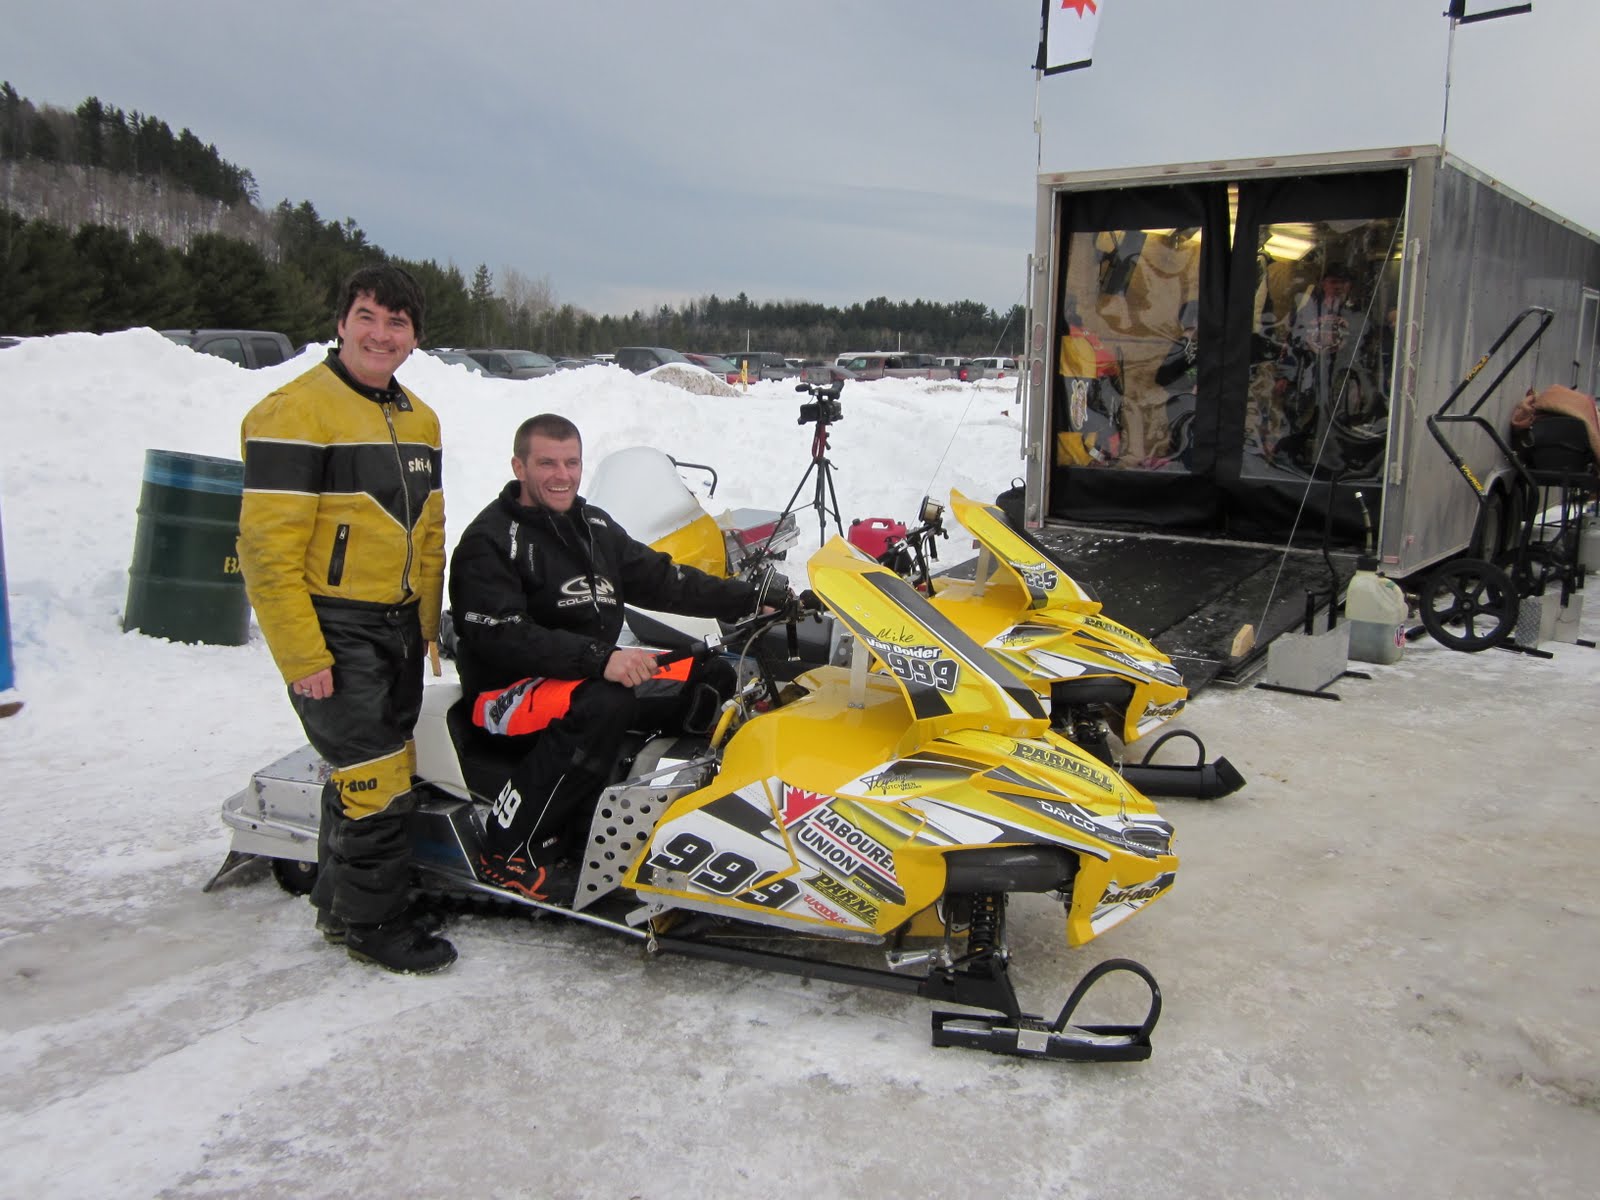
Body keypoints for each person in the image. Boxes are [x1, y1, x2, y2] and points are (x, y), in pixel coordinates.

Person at [448, 413, 776, 902]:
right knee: (605, 702)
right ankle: (508, 848)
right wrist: (601, 659)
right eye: (547, 463)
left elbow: (665, 580)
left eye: (571, 462)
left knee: (713, 677)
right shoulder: (490, 541)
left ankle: (694, 818)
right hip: (507, 689)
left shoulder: (593, 526)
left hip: (583, 669)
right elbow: (504, 637)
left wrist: (751, 599)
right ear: (519, 466)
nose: (562, 475)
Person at [237, 263, 454, 974]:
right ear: (340, 322)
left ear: (414, 337)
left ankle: (345, 901)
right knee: (378, 779)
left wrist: (426, 624)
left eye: (397, 322)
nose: (380, 334)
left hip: (395, 629)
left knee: (368, 772)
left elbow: (428, 530)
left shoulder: (419, 419)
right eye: (367, 316)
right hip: (334, 626)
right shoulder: (293, 412)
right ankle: (374, 925)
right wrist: (304, 657)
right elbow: (266, 553)